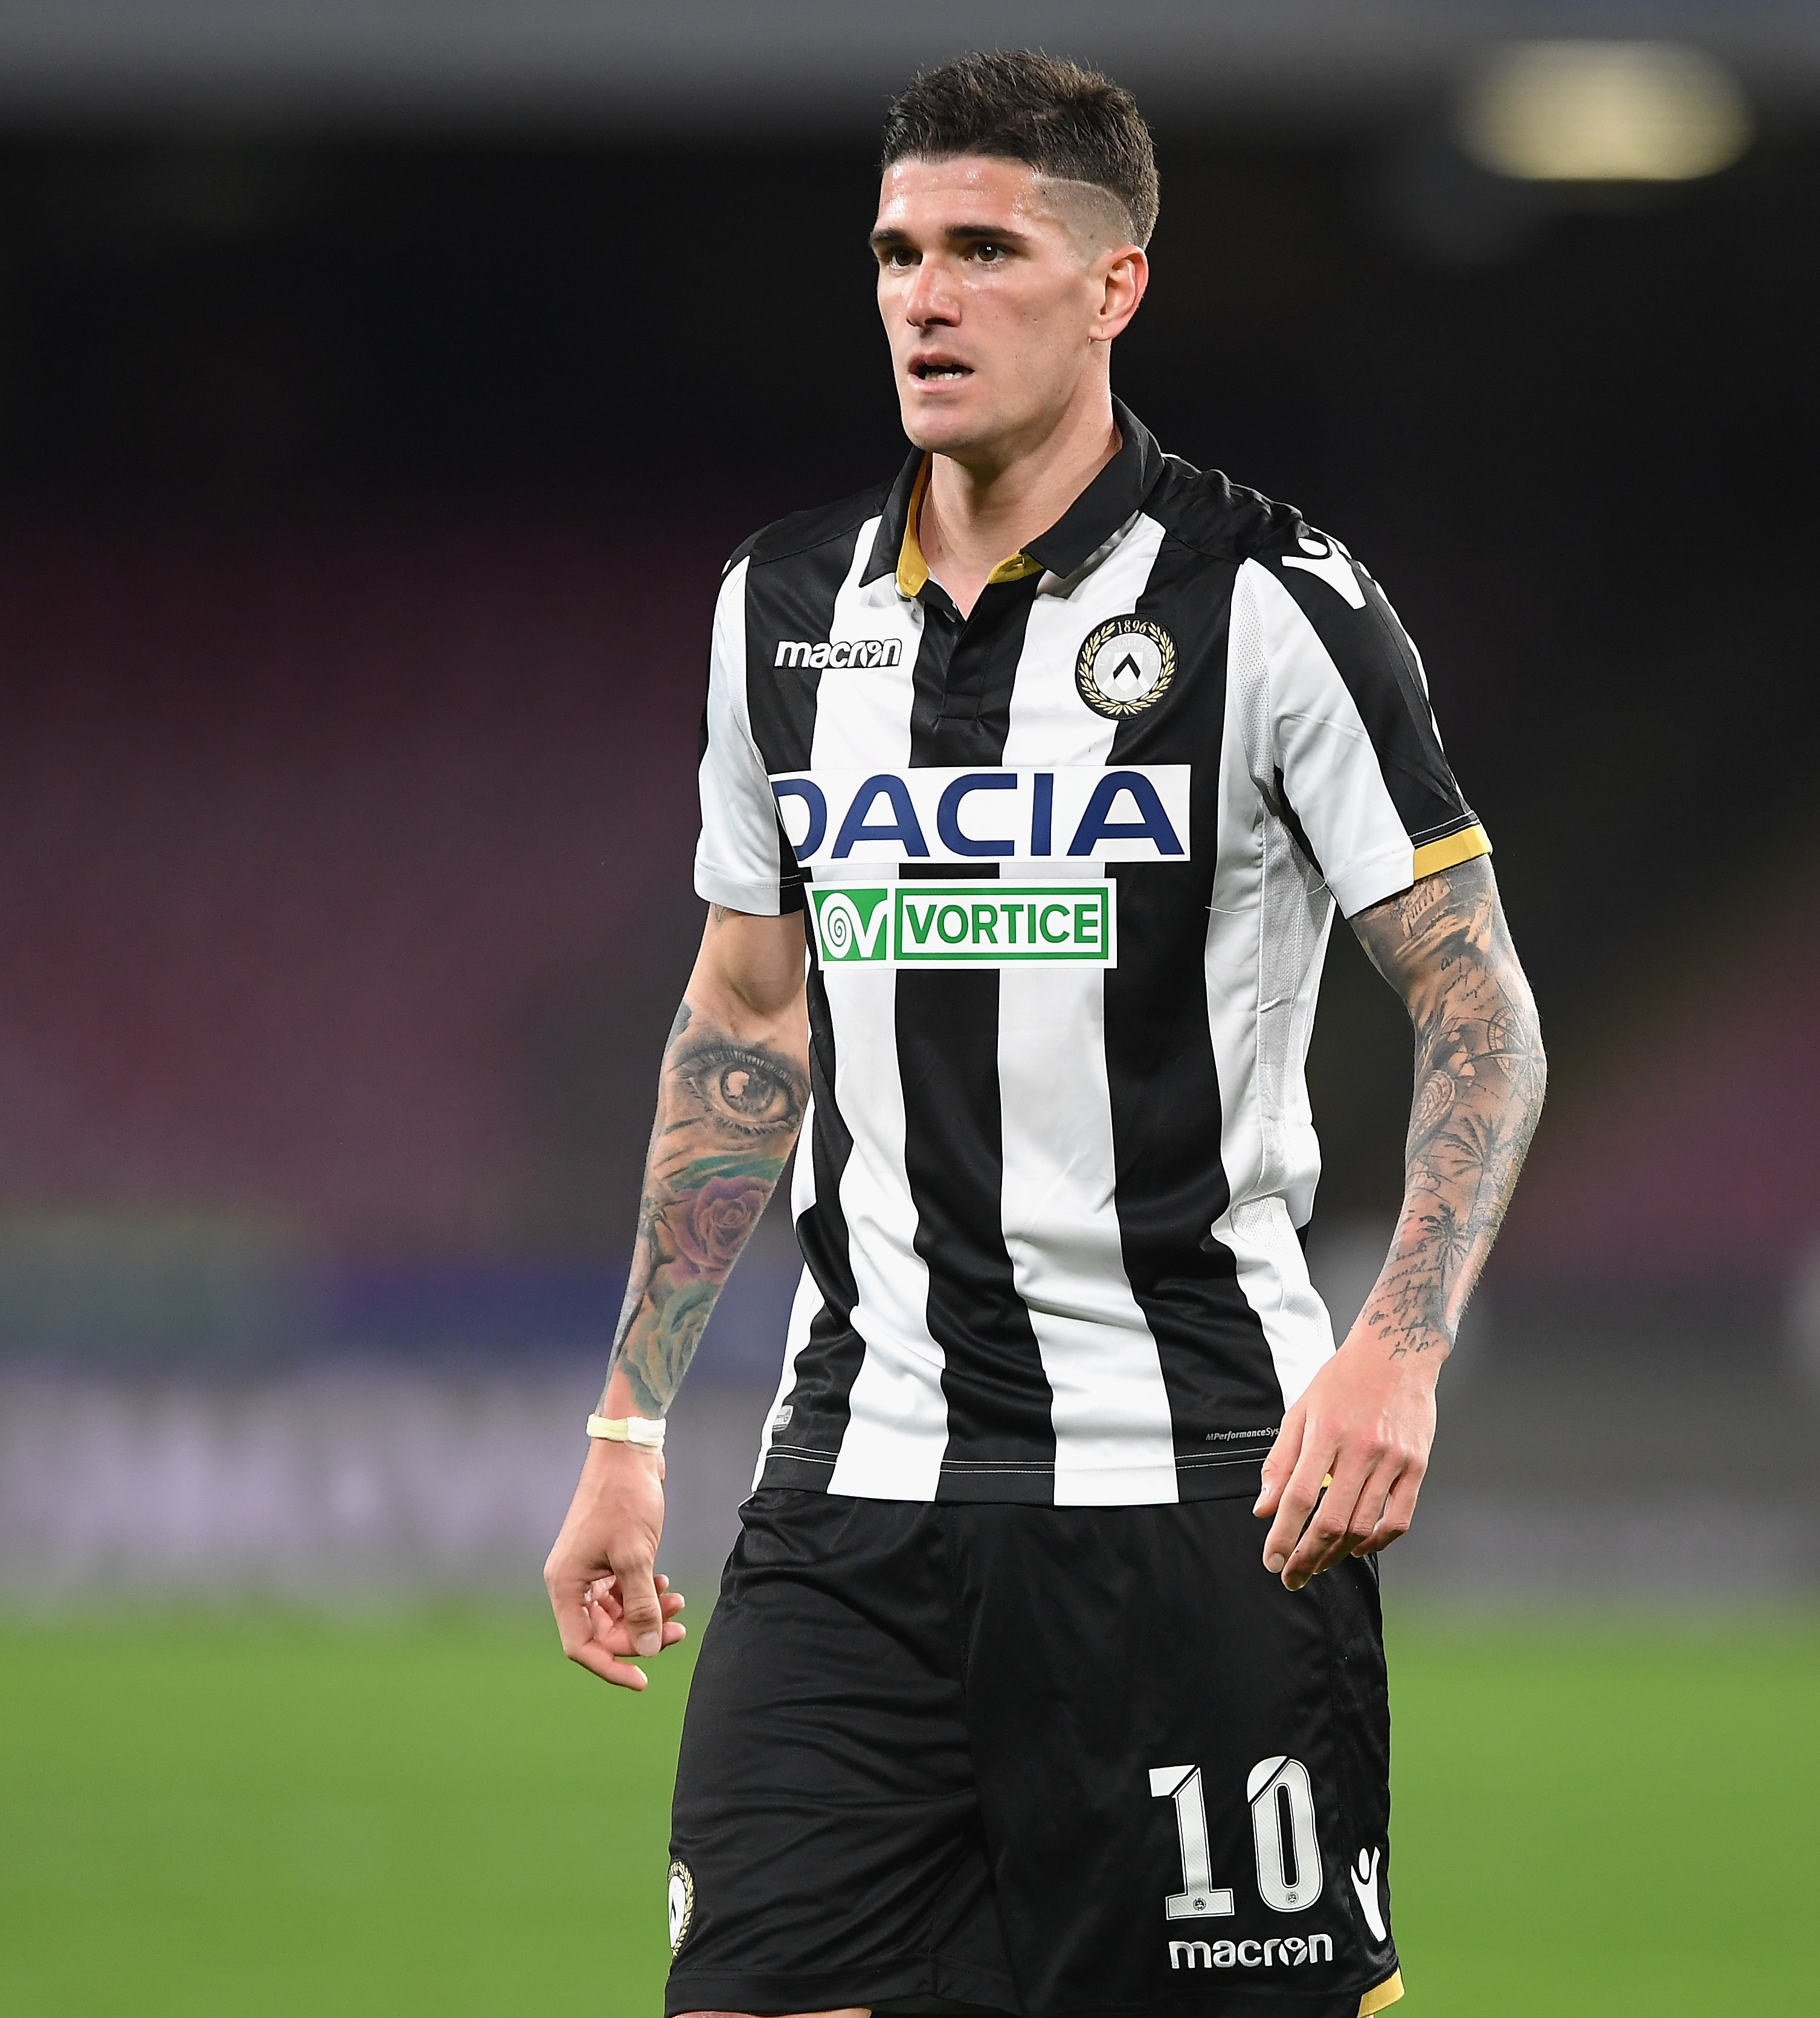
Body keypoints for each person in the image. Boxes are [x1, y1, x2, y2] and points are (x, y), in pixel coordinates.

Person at [543, 50, 1547, 2018]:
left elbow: (1476, 1006)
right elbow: (744, 1023)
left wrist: (1398, 1352)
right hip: (857, 1489)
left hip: (1191, 1493)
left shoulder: (1270, 606)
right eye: (898, 251)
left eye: (984, 250)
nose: (923, 295)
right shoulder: (779, 613)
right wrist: (627, 1425)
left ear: (1113, 288)